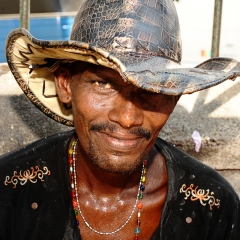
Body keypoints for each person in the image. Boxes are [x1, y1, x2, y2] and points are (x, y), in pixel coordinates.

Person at [2, 0, 240, 239]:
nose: (127, 119)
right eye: (103, 84)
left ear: (174, 98)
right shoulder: (8, 191)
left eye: (151, 91)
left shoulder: (211, 206)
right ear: (65, 84)